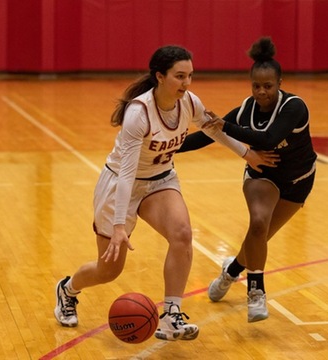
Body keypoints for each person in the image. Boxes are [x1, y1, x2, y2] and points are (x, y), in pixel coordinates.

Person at [54, 44, 275, 341]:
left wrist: (245, 152)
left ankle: (171, 317)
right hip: (121, 183)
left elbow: (212, 129)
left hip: (160, 180)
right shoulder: (139, 113)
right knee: (108, 270)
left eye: (190, 76)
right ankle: (68, 289)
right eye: (179, 76)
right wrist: (119, 225)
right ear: (160, 76)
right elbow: (128, 174)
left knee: (183, 234)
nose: (186, 83)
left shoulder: (190, 102)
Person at [177, 36, 317, 322]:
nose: (262, 92)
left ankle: (230, 271)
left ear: (280, 83)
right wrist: (169, 145)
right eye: (256, 86)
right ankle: (257, 293)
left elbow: (269, 138)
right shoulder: (246, 109)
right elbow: (208, 135)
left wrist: (227, 126)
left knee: (259, 238)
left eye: (268, 86)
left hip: (300, 179)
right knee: (257, 223)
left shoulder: (294, 107)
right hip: (262, 176)